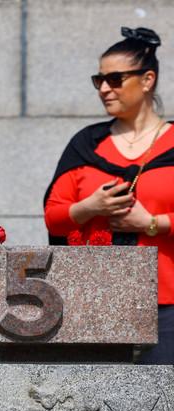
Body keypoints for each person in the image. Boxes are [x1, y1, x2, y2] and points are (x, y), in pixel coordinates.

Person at [44, 27, 174, 363]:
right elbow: (54, 219)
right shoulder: (86, 144)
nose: (104, 89)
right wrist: (89, 207)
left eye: (115, 79)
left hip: (168, 305)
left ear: (147, 80)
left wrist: (152, 223)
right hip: (95, 302)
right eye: (98, 80)